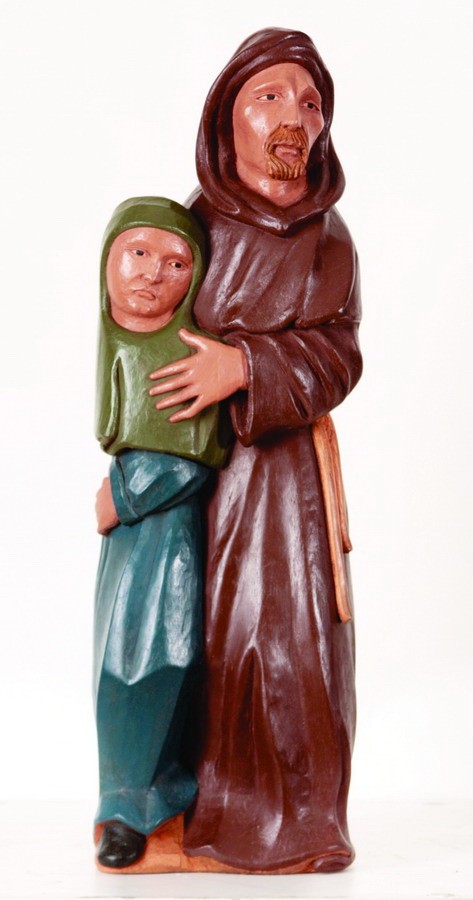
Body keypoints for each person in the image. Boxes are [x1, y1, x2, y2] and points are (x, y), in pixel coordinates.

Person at [148, 29, 363, 873]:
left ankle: (302, 821)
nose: (291, 119)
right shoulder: (193, 226)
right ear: (225, 118)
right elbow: (143, 325)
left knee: (291, 639)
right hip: (194, 471)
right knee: (187, 634)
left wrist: (245, 367)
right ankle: (180, 808)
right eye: (268, 97)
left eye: (308, 102)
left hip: (287, 483)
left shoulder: (328, 241)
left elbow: (339, 354)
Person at [93, 197, 229, 869]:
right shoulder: (118, 340)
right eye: (138, 253)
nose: (151, 273)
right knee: (113, 659)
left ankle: (140, 807)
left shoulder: (185, 353)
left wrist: (122, 495)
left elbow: (191, 456)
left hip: (164, 528)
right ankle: (125, 801)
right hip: (129, 532)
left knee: (150, 657)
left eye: (176, 263)